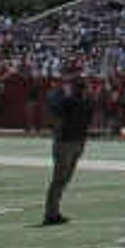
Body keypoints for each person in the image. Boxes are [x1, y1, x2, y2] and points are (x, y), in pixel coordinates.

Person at [42, 73, 94, 226]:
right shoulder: (69, 101)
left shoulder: (82, 101)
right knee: (59, 178)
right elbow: (53, 111)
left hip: (76, 140)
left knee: (65, 178)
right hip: (66, 141)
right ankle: (51, 213)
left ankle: (54, 211)